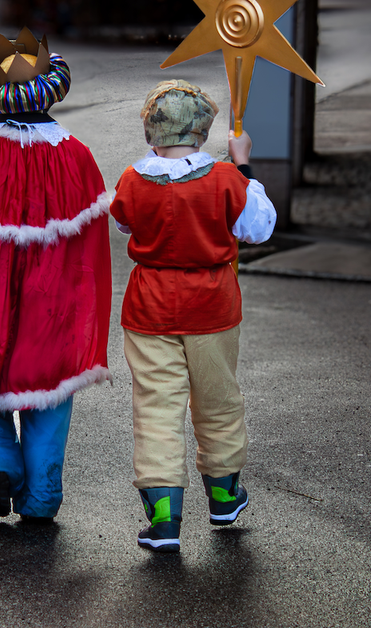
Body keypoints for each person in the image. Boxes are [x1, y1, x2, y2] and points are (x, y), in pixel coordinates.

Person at [0, 29, 112, 522]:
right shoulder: (75, 155)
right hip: (52, 302)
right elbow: (91, 243)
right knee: (48, 396)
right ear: (52, 88)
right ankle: (42, 494)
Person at [109, 79, 276, 552]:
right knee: (218, 400)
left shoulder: (132, 179)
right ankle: (224, 497)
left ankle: (163, 518)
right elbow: (259, 228)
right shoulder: (225, 179)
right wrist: (242, 163)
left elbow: (123, 220)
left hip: (149, 308)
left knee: (156, 408)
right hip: (213, 306)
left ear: (150, 133)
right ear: (202, 133)